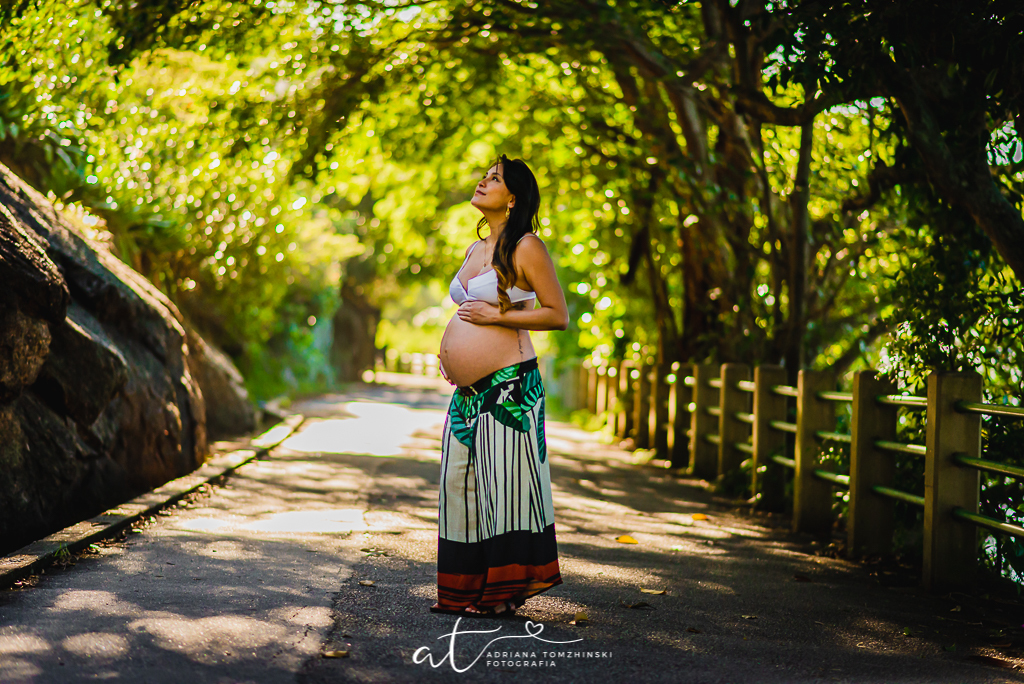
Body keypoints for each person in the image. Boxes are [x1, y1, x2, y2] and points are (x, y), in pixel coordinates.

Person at [430, 154, 569, 617]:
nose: (483, 181)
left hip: (509, 386)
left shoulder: (527, 246)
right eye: (485, 175)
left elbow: (556, 314)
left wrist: (500, 315)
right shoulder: (476, 249)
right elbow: (469, 310)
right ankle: (462, 591)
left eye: (495, 179)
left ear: (513, 198)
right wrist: (450, 351)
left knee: (502, 491)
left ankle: (499, 596)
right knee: (458, 485)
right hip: (467, 393)